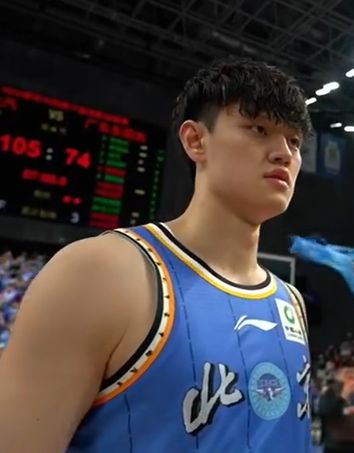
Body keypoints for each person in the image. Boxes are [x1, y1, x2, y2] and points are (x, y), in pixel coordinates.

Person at [0, 58, 313, 452]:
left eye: (294, 142)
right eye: (259, 129)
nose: (284, 153)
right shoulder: (100, 272)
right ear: (196, 140)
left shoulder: (291, 302)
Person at [317, 359, 354, 453]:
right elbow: (325, 413)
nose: (351, 375)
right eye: (347, 372)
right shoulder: (329, 391)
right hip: (336, 446)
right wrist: (342, 397)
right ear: (339, 374)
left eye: (353, 372)